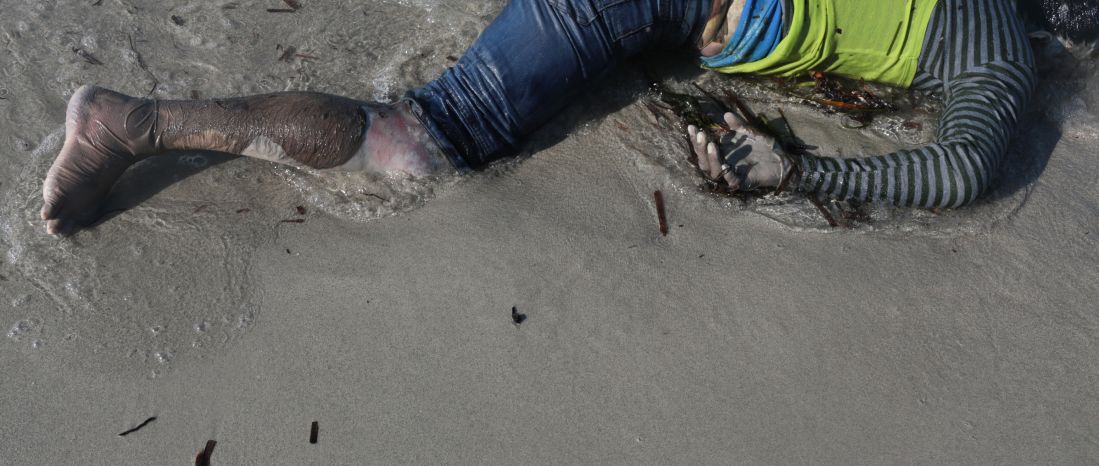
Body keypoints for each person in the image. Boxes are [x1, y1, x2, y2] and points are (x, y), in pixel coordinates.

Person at [41, 0, 1038, 235]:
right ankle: (137, 123)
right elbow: (963, 173)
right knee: (420, 143)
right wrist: (805, 175)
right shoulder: (997, 43)